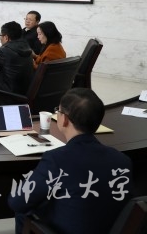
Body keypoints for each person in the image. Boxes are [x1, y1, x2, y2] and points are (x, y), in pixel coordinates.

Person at [9, 88, 133, 234]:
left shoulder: (57, 159)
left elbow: (17, 203)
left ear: (65, 119)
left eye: (58, 111)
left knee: (24, 211)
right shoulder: (123, 160)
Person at [0, 21, 33, 95]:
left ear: (6, 37)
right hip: (24, 93)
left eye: (0, 36)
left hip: (6, 95)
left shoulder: (5, 51)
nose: (0, 38)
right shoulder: (26, 46)